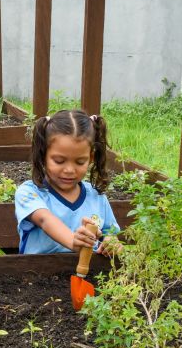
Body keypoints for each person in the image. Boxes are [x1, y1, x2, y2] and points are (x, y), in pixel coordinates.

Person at [15, 109, 119, 255]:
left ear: (91, 158)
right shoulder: (30, 193)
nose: (69, 170)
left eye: (80, 162)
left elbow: (110, 233)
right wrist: (72, 241)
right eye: (59, 161)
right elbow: (45, 219)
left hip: (89, 269)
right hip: (39, 269)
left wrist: (111, 243)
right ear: (43, 155)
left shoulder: (97, 196)